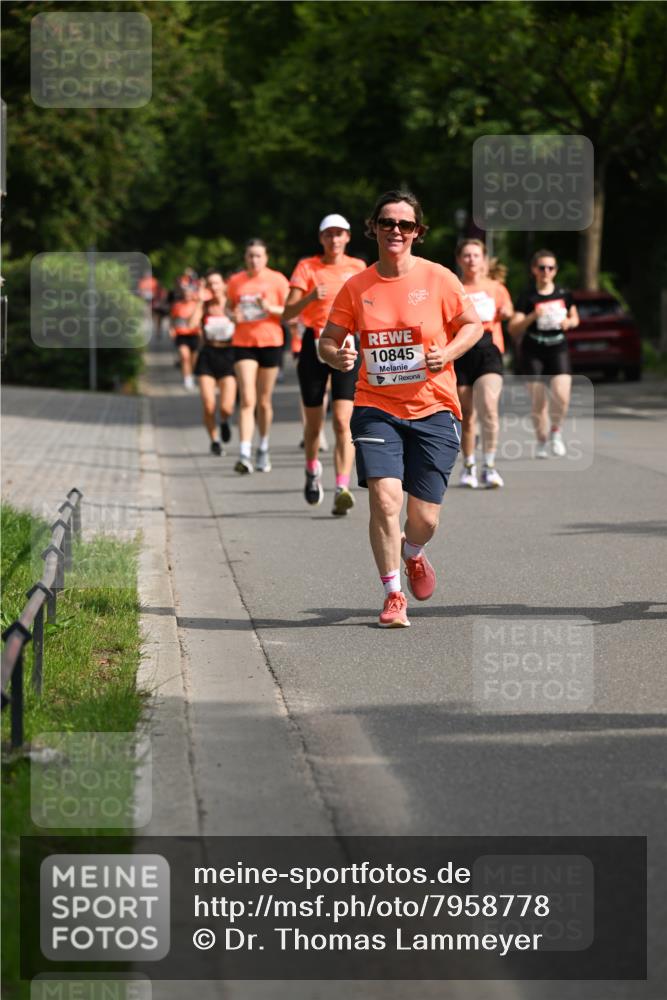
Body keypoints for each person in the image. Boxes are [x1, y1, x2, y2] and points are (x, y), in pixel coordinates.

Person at [319, 190, 483, 627]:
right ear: (373, 228)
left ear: (418, 233)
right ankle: (393, 594)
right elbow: (328, 340)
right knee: (385, 500)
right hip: (376, 406)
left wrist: (447, 353)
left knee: (423, 519)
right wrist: (337, 356)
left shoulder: (439, 279)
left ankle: (413, 552)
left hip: (433, 407)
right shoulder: (356, 287)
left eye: (405, 225)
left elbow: (473, 326)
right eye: (387, 223)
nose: (396, 231)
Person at [284, 214, 366, 514]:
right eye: (329, 234)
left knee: (344, 421)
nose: (334, 239)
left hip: (347, 344)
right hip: (314, 344)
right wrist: (308, 298)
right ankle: (311, 468)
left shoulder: (358, 268)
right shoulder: (307, 267)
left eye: (339, 234)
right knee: (315, 425)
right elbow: (286, 312)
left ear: (347, 237)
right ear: (321, 238)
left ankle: (342, 486)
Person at [508, 249, 579, 458]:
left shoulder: (564, 293)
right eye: (542, 267)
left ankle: (555, 431)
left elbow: (575, 318)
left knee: (562, 396)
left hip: (558, 347)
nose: (546, 271)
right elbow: (513, 328)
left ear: (555, 271)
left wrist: (569, 322)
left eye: (550, 267)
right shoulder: (527, 296)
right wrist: (532, 316)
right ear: (534, 270)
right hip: (533, 350)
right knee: (539, 402)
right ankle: (541, 441)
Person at [226, 240, 289, 473]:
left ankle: (262, 446)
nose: (254, 260)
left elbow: (290, 310)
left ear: (266, 258)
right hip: (244, 343)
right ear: (245, 257)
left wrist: (270, 307)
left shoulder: (277, 280)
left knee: (263, 401)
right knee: (247, 399)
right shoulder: (236, 281)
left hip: (270, 342)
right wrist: (233, 315)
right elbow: (227, 307)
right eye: (250, 256)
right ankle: (244, 453)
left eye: (258, 256)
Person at [455, 239, 514, 488]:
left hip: (489, 348)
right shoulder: (455, 287)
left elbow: (508, 310)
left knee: (489, 407)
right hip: (461, 350)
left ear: (484, 259)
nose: (471, 259)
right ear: (460, 260)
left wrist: (507, 312)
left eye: (476, 255)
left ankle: (489, 466)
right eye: (466, 255)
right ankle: (469, 465)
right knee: (467, 415)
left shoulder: (495, 287)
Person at [188, 270, 237, 455]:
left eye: (217, 283)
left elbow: (242, 323)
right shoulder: (205, 306)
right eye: (210, 284)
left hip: (229, 355)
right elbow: (191, 324)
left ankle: (224, 421)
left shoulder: (232, 304)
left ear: (224, 284)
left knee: (227, 406)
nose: (214, 287)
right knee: (209, 404)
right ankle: (214, 440)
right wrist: (199, 301)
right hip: (208, 355)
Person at [169, 284, 200, 390]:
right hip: (181, 334)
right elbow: (172, 319)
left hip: (194, 334)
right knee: (185, 356)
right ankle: (187, 378)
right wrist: (171, 329)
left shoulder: (196, 305)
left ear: (192, 295)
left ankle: (191, 374)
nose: (187, 296)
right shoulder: (177, 305)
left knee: (194, 359)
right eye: (185, 294)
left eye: (189, 294)